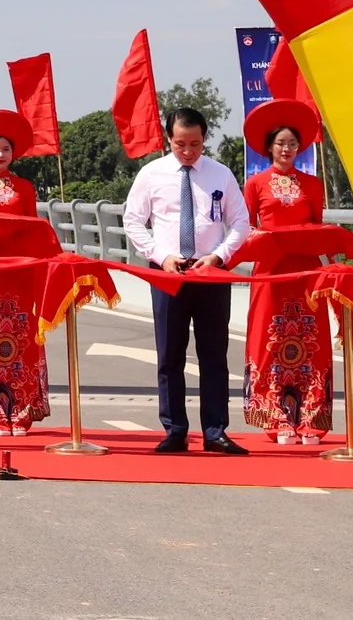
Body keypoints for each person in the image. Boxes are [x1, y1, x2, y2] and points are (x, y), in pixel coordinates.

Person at [123, 106, 252, 454]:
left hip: (210, 272)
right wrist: (160, 255)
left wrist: (219, 256)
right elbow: (133, 220)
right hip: (168, 272)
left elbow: (241, 222)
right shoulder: (152, 174)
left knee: (214, 354)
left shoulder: (220, 174)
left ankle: (215, 430)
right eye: (181, 144)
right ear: (169, 139)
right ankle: (175, 429)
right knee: (170, 354)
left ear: (204, 139)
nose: (189, 151)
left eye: (195, 144)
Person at [240, 98, 332, 445]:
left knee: (312, 344)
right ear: (269, 147)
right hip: (270, 272)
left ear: (300, 147)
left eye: (292, 143)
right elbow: (245, 230)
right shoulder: (256, 184)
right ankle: (274, 417)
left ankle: (311, 418)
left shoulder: (312, 184)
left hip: (307, 272)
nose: (287, 149)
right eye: (280, 143)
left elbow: (319, 228)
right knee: (271, 342)